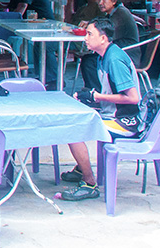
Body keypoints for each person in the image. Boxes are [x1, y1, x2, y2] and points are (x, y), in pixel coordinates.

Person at [57, 18, 141, 201]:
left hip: (126, 122)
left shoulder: (114, 60)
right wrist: (90, 97)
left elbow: (134, 98)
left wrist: (97, 97)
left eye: (89, 34)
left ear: (103, 39)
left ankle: (89, 183)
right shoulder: (104, 56)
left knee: (73, 130)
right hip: (113, 113)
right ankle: (82, 168)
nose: (85, 38)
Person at [3, 0, 59, 88]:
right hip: (34, 25)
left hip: (46, 24)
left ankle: (54, 80)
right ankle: (42, 77)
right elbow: (11, 7)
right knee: (37, 48)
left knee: (45, 48)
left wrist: (10, 20)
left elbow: (22, 7)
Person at [79, 0, 140, 90]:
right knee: (89, 59)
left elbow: (107, 34)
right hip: (118, 50)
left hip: (127, 54)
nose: (100, 2)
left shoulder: (121, 13)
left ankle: (96, 95)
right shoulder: (112, 13)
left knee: (89, 62)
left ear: (114, 0)